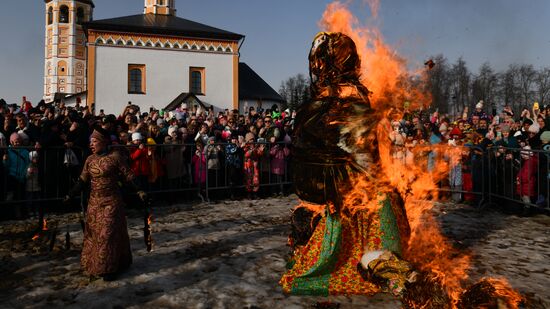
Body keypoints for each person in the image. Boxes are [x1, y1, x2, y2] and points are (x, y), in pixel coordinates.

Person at [280, 32, 412, 297]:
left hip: (314, 189)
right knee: (384, 198)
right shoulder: (355, 107)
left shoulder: (308, 107)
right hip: (340, 191)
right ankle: (377, 259)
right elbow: (367, 165)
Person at [65, 128, 146, 280]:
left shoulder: (115, 157)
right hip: (94, 203)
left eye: (94, 141)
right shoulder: (89, 159)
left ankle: (109, 268)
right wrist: (70, 194)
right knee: (95, 235)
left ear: (104, 142)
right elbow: (82, 180)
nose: (91, 144)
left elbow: (129, 175)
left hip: (111, 201)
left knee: (107, 234)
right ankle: (98, 264)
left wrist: (140, 190)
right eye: (90, 142)